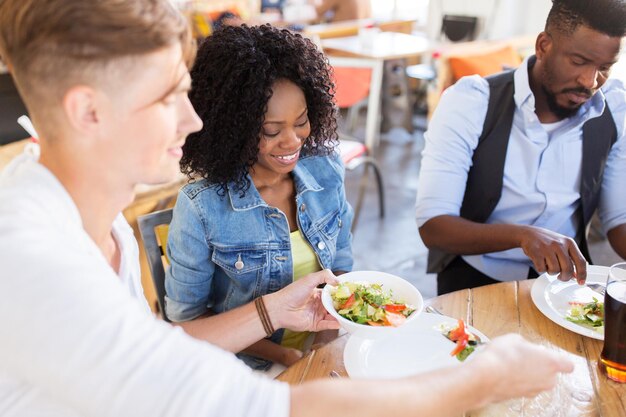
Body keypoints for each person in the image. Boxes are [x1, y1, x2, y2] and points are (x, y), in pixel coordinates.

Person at [0, 1, 574, 416]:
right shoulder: (34, 263)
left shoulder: (91, 222)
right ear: (88, 111)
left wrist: (276, 308)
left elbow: (164, 349)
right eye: (167, 95)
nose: (193, 119)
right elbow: (264, 407)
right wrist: (487, 380)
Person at [164, 24, 352, 370]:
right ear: (232, 128)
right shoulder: (203, 206)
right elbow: (186, 326)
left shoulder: (325, 170)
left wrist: (322, 348)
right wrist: (286, 357)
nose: (293, 141)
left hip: (323, 354)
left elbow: (341, 270)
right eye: (271, 131)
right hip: (246, 369)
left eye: (301, 121)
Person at [416, 0, 626, 295]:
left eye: (604, 68)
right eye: (578, 61)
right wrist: (522, 236)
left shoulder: (614, 111)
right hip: (475, 278)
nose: (590, 81)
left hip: (565, 285)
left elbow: (618, 222)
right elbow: (434, 226)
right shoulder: (472, 102)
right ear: (543, 46)